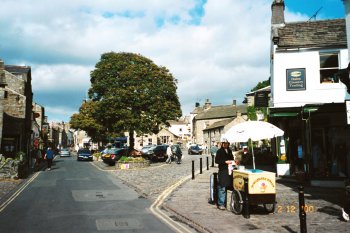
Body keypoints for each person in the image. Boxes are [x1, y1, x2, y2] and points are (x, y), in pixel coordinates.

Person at [215, 138, 234, 210]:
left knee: (228, 186)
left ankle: (227, 202)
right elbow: (217, 161)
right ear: (222, 144)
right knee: (222, 187)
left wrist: (233, 161)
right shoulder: (219, 151)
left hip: (229, 171)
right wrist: (225, 162)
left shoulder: (229, 151)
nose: (225, 144)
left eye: (226, 143)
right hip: (222, 171)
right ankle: (221, 203)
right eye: (224, 143)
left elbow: (231, 158)